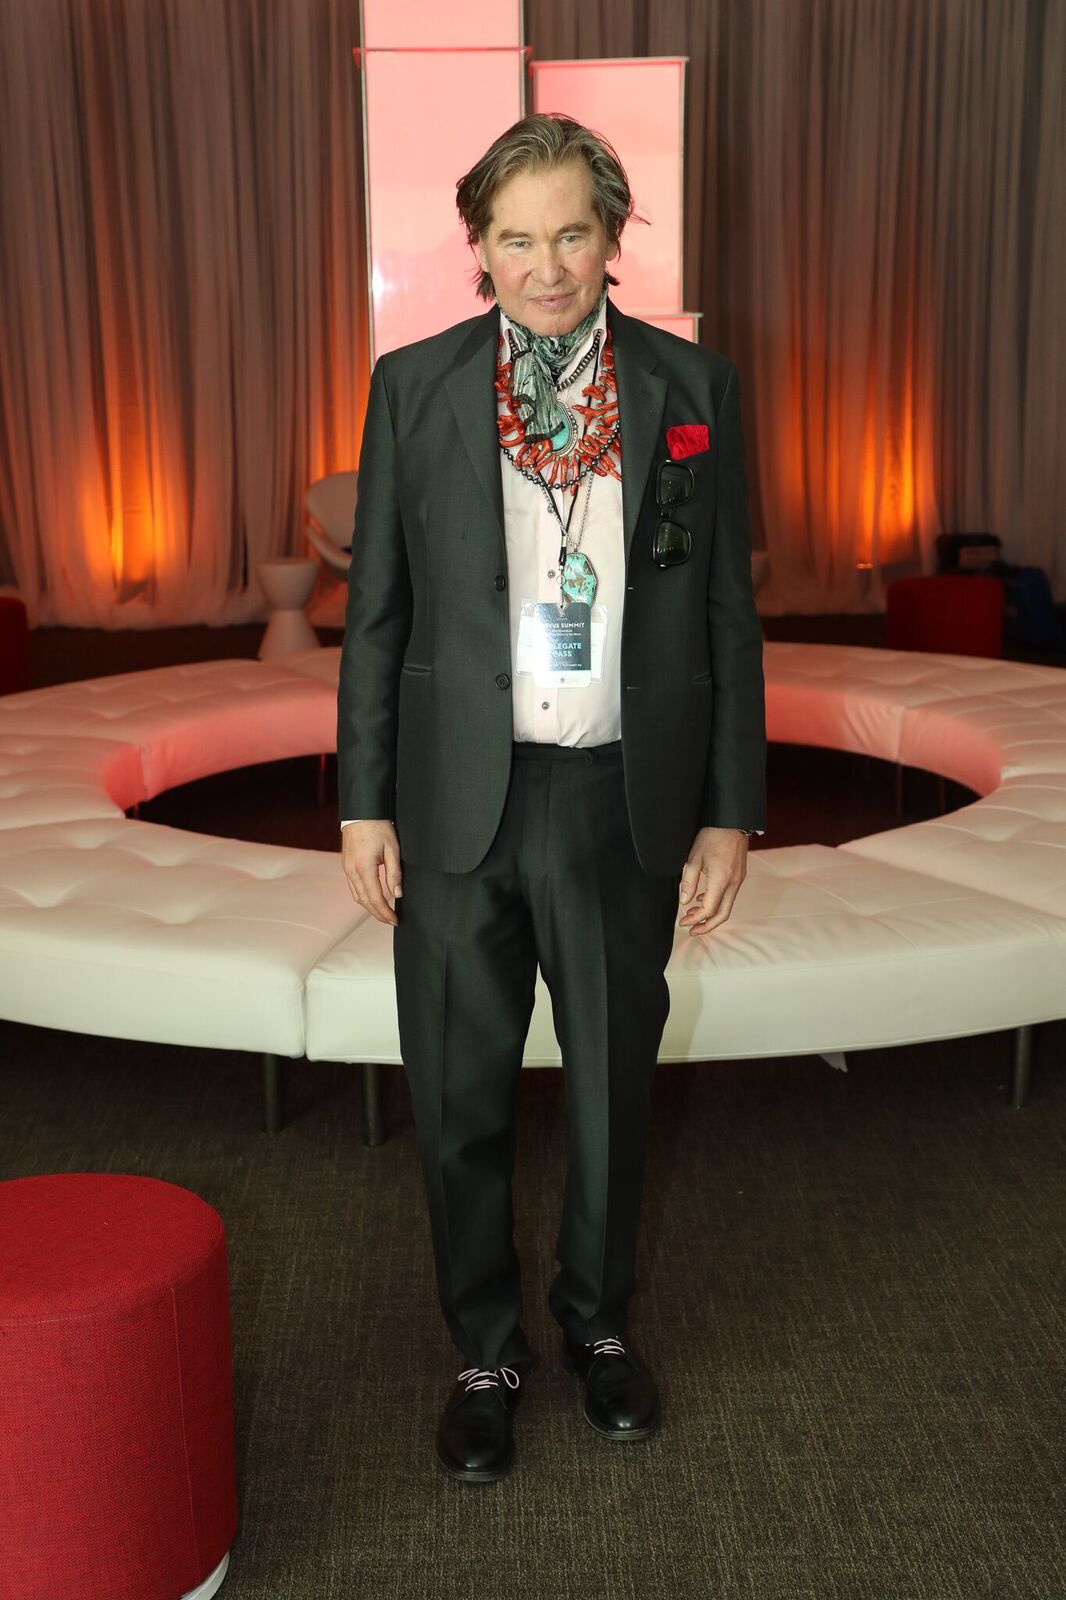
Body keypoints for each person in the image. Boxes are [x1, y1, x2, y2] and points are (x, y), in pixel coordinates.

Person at [337, 112, 766, 1484]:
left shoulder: (689, 390)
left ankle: (593, 1328)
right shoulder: (412, 385)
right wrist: (361, 801)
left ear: (612, 236)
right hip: (456, 804)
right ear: (477, 247)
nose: (544, 265)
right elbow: (377, 619)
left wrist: (728, 808)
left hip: (613, 804)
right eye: (514, 237)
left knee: (607, 1095)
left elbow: (725, 614)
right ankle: (482, 1351)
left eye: (570, 232)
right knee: (457, 1099)